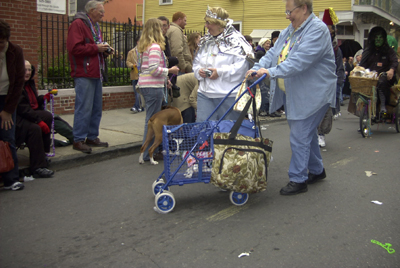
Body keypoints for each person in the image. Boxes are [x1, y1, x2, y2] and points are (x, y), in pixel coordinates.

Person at [247, 0, 336, 195]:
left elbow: (299, 62)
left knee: (300, 134)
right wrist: (256, 69)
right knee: (307, 133)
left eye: (290, 11)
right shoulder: (292, 29)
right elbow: (273, 53)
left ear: (304, 9)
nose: (287, 16)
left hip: (314, 93)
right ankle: (317, 170)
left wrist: (269, 72)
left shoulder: (317, 30)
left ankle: (298, 179)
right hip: (296, 92)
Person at [67, 0, 114, 154]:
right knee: (84, 107)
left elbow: (95, 46)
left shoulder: (95, 26)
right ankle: (78, 139)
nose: (103, 14)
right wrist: (96, 48)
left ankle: (92, 136)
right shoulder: (78, 24)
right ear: (92, 10)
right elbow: (74, 48)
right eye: (101, 11)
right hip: (84, 72)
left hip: (95, 71)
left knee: (96, 107)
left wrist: (104, 49)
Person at [193, 6, 253, 122]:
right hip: (204, 94)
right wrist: (199, 71)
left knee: (227, 133)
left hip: (228, 95)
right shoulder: (206, 41)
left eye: (208, 22)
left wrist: (219, 72)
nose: (206, 26)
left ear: (219, 24)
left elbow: (242, 67)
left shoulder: (236, 41)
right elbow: (196, 62)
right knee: (203, 130)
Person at [138, 18, 179, 161]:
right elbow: (154, 69)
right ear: (156, 30)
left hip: (147, 85)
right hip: (152, 86)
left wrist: (165, 80)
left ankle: (147, 153)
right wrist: (170, 70)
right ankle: (146, 154)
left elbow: (147, 68)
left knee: (151, 120)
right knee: (152, 121)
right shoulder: (155, 47)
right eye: (161, 27)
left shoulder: (145, 47)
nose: (164, 29)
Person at [16, 61, 55, 178]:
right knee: (35, 129)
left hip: (29, 114)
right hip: (19, 118)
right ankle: (37, 167)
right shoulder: (17, 86)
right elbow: (23, 108)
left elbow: (33, 103)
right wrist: (38, 120)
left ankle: (43, 154)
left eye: (29, 70)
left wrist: (44, 98)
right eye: (25, 70)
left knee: (48, 116)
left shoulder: (29, 84)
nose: (27, 73)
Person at [0, 19, 24, 191]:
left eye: (1, 42)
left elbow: (18, 84)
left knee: (8, 138)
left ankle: (11, 178)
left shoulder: (16, 52)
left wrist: (8, 110)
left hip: (7, 99)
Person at [317, 8, 344, 148]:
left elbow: (339, 66)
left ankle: (321, 134)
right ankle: (313, 132)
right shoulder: (316, 43)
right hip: (315, 80)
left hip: (329, 82)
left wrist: (338, 81)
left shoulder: (336, 48)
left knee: (326, 108)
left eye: (330, 29)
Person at [360, 26, 398, 113]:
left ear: (384, 39)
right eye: (376, 37)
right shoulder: (368, 51)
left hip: (385, 77)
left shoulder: (389, 51)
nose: (378, 40)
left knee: (381, 82)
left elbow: (394, 61)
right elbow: (362, 64)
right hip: (370, 77)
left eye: (380, 37)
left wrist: (391, 70)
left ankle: (383, 105)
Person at [126, 45, 144, 113]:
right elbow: (128, 62)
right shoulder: (131, 52)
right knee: (136, 92)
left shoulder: (144, 51)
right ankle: (139, 106)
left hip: (142, 74)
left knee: (140, 92)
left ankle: (137, 106)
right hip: (135, 74)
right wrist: (132, 65)